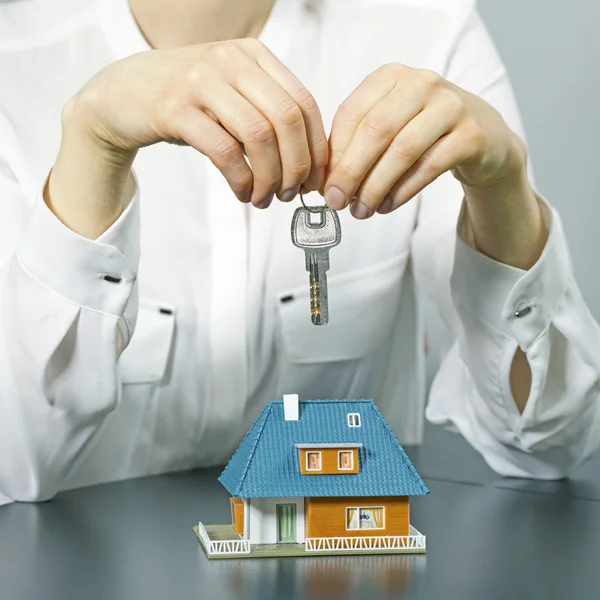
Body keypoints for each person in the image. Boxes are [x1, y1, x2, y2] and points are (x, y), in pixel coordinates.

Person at [0, 0, 598, 506]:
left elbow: (545, 444)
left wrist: (502, 188)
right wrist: (92, 144)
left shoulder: (426, 26)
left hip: (343, 578)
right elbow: (15, 471)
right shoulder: (16, 56)